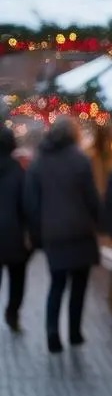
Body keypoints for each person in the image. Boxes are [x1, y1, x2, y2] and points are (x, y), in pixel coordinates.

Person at [25, 117, 101, 353]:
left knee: (56, 284)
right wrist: (101, 222)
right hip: (79, 232)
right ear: (74, 135)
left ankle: (52, 333)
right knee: (79, 285)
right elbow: (91, 198)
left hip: (53, 233)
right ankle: (75, 332)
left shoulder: (39, 163)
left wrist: (36, 233)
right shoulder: (80, 161)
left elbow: (32, 203)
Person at [0, 125, 29, 332]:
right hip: (15, 234)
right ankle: (12, 313)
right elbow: (27, 205)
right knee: (17, 278)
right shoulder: (19, 172)